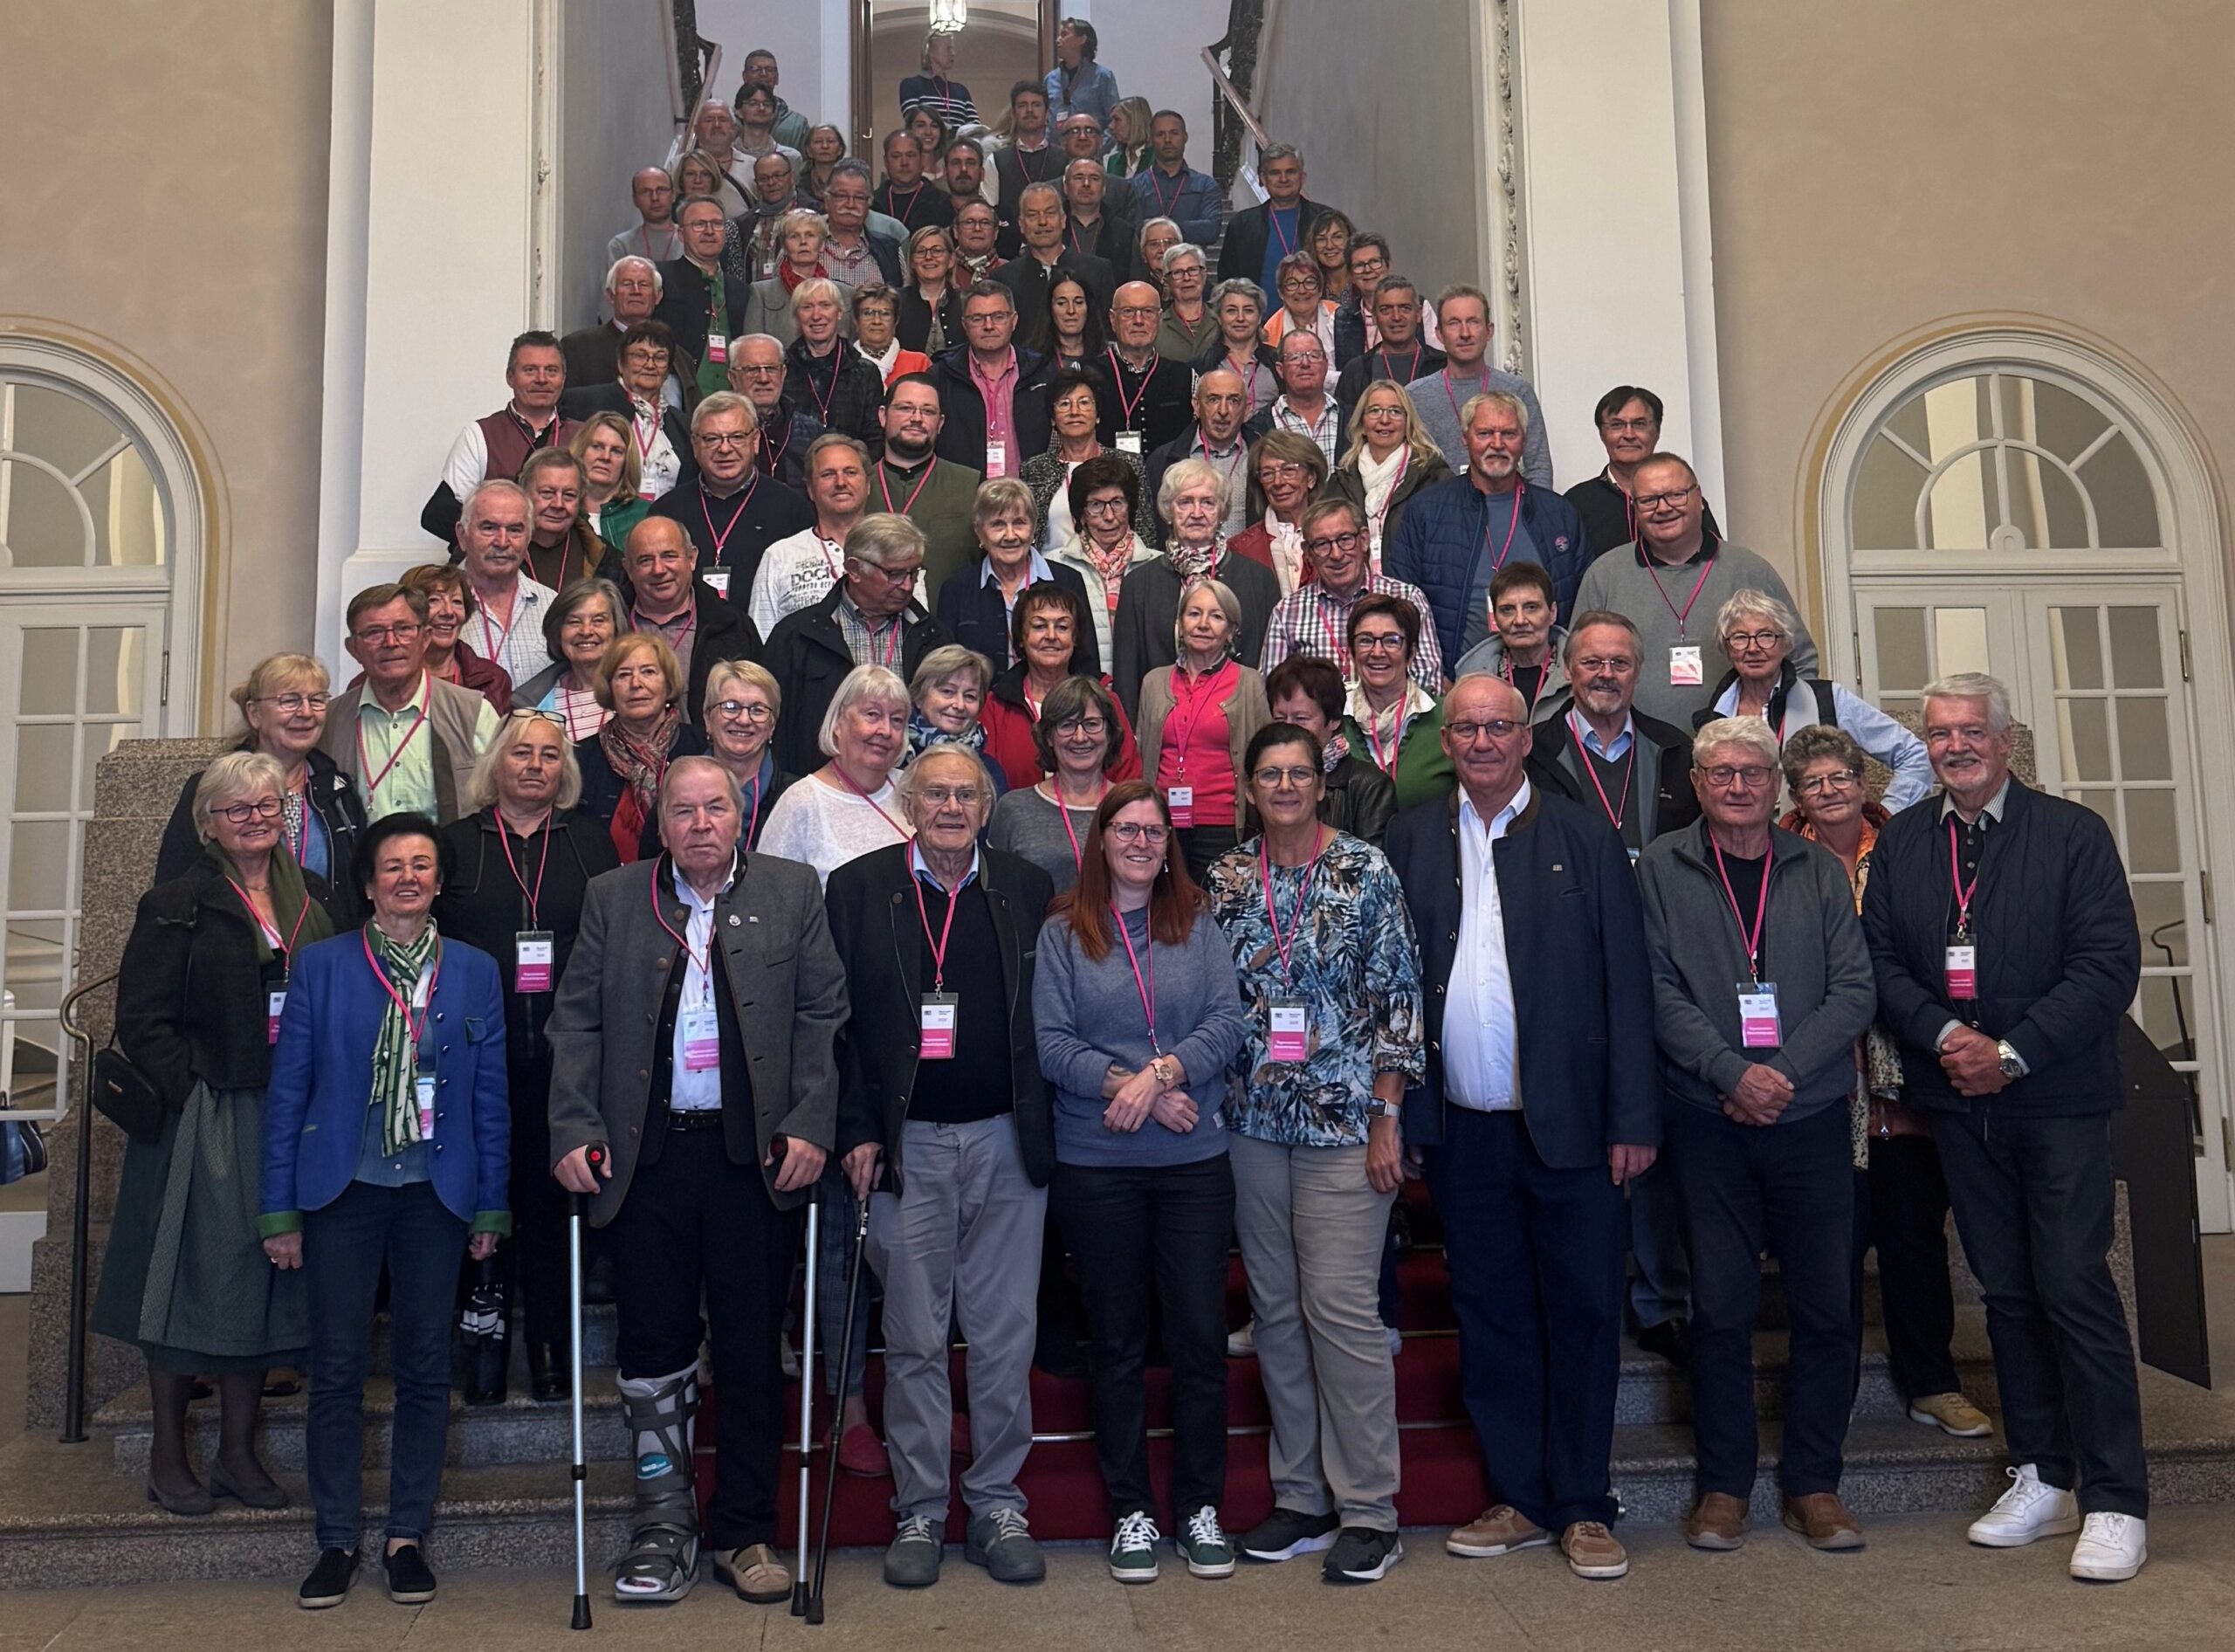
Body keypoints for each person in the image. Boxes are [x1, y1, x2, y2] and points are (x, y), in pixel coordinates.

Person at [1860, 672, 2150, 1582]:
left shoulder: (2072, 834)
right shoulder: (1905, 840)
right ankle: (2042, 1472)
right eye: (1940, 732)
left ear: (2006, 738)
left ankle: (2115, 1497)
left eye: (1971, 730)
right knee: (2007, 1290)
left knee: (2072, 1283)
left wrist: (2012, 1050)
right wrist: (1949, 1037)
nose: (1955, 745)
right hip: (1957, 1100)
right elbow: (1881, 960)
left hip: (2055, 1098)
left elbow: (2107, 966)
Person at [547, 756, 843, 1607]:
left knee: (752, 1345)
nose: (702, 822)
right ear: (661, 820)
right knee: (652, 1347)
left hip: (754, 1157)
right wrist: (573, 1126)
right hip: (649, 1159)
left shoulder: (791, 892)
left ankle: (745, 1528)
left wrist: (813, 1122)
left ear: (741, 813)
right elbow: (575, 1021)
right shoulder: (616, 896)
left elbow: (826, 1013)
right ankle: (662, 1522)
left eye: (717, 806)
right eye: (685, 810)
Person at [1384, 674, 1661, 1582]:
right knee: (1490, 1313)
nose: (1482, 741)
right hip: (1466, 1128)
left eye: (1499, 725)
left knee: (1580, 1313)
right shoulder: (1415, 835)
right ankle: (1517, 1494)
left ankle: (1583, 1502)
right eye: (1464, 727)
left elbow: (1628, 986)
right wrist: (1409, 1111)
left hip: (1575, 1126)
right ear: (1447, 741)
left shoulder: (1582, 834)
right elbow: (1397, 986)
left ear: (1523, 734)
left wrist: (1632, 1116)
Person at [1637, 717, 1877, 1553]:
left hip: (1808, 1121)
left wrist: (1782, 1077)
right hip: (1708, 1120)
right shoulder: (1663, 867)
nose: (1738, 787)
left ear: (1777, 784)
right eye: (1721, 773)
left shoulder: (1815, 867)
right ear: (1697, 784)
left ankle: (1816, 1483)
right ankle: (1723, 1487)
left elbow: (1854, 990)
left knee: (1825, 1307)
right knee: (1721, 1308)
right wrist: (1732, 1073)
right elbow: (1655, 988)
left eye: (1752, 773)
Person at [263, 812, 510, 1610]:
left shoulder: (473, 972)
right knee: (335, 1370)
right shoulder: (323, 967)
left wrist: (492, 1207)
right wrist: (279, 1211)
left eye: (422, 865)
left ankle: (407, 1536)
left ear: (439, 881)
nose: (407, 877)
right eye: (392, 866)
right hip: (343, 1190)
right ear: (368, 883)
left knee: (423, 1369)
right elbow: (288, 1094)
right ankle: (336, 1539)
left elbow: (490, 1102)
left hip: (438, 1196)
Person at [824, 747, 1055, 1587]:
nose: (950, 806)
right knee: (916, 1336)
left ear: (986, 808)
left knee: (1002, 1335)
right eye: (935, 794)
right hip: (904, 1145)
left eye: (965, 794)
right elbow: (835, 1025)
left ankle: (996, 1502)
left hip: (1005, 1138)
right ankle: (920, 1510)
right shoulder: (859, 887)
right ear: (908, 802)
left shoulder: (1026, 888)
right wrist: (855, 1128)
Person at [1203, 723, 1422, 1581]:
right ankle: (1301, 1496)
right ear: (1250, 786)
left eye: (1299, 772)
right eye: (1270, 773)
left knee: (1339, 1311)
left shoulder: (1364, 869)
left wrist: (1387, 1115)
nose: (1286, 785)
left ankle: (1370, 1507)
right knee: (1278, 1312)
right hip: (1252, 1123)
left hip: (1344, 1125)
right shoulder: (1225, 878)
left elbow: (1398, 995)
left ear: (1320, 783)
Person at [99, 752, 340, 1518]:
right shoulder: (178, 903)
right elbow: (140, 1018)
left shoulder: (317, 898)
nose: (255, 821)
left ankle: (238, 1454)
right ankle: (171, 1456)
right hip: (208, 1118)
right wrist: (194, 1088)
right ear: (208, 823)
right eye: (238, 810)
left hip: (293, 1109)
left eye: (268, 808)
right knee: (189, 1284)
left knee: (266, 1287)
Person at [1033, 781, 1252, 1582]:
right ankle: (1130, 1508)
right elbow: (1051, 1043)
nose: (1139, 842)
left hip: (1193, 1165)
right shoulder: (1064, 930)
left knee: (1198, 1340)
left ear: (1169, 844)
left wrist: (1158, 1076)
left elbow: (1228, 1023)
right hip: (1099, 1165)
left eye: (1153, 831)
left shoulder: (1198, 925)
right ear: (1101, 839)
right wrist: (1130, 1090)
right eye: (1124, 829)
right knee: (1118, 1342)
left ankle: (1199, 1507)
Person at [1778, 726, 1991, 1442]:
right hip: (1821, 1080)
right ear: (1797, 795)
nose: (1830, 790)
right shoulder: (1779, 858)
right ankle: (1822, 1394)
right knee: (1828, 1248)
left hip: (1909, 1070)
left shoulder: (1908, 846)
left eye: (1841, 777)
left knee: (1914, 1235)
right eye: (1814, 782)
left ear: (1863, 782)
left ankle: (1931, 1381)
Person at [433, 714, 620, 1403]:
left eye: (550, 755)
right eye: (522, 753)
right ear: (496, 763)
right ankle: (481, 1347)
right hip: (476, 1055)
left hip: (567, 1059)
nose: (536, 765)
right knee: (479, 1199)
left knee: (552, 1204)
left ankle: (549, 1348)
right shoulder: (454, 846)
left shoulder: (592, 844)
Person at [1571, 451, 1819, 728]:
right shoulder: (1604, 575)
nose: (1663, 508)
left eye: (1676, 495)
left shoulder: (1751, 571)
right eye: (1649, 500)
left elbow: (1801, 659)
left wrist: (1781, 731)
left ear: (1699, 498)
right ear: (1635, 510)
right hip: (1634, 754)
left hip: (1737, 755)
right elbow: (1575, 668)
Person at [1385, 392, 1589, 671]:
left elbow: (1582, 605)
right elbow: (1400, 603)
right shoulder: (1426, 510)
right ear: (1464, 438)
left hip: (1549, 682)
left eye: (1509, 433)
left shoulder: (1559, 514)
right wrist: (1431, 677)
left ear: (1524, 441)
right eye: (1484, 433)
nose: (1497, 444)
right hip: (1455, 681)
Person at [1701, 589, 1932, 811]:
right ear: (1728, 649)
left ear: (1785, 644)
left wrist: (1888, 815)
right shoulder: (1713, 718)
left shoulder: (1828, 699)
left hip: (1817, 844)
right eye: (1740, 638)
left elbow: (1916, 756)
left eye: (1766, 636)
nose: (1753, 648)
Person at [157, 656, 368, 897]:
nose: (306, 712)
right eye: (290, 701)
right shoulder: (213, 789)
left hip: (328, 933)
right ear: (254, 713)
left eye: (317, 700)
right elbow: (173, 887)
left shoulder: (339, 792)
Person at [764, 514, 953, 777]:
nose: (907, 586)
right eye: (895, 574)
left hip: (909, 794)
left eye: (914, 573)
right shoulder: (797, 637)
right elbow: (777, 733)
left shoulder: (933, 636)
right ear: (854, 569)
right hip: (821, 791)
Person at [1523, 611, 1702, 860]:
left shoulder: (1676, 751)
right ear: (1567, 669)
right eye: (1592, 662)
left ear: (1637, 672)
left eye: (1620, 663)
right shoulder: (1531, 752)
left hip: (1652, 897)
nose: (1606, 674)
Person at [1112, 458, 1282, 718]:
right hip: (1165, 726)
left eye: (1208, 502)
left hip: (1240, 723)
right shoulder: (1139, 583)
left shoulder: (1258, 579)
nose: (1196, 513)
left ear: (1223, 512)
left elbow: (1273, 669)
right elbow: (1126, 675)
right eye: (1185, 502)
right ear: (1169, 511)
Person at [323, 584, 500, 823]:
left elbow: (504, 800)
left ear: (426, 638)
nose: (391, 642)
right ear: (354, 648)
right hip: (361, 859)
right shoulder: (331, 721)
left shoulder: (473, 712)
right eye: (374, 632)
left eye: (403, 629)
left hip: (450, 858)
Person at [1136, 581, 1272, 880]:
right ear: (1180, 623)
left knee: (1217, 912)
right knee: (1166, 911)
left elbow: (1265, 757)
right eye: (1194, 614)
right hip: (1161, 822)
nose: (1203, 624)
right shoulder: (1153, 683)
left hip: (1223, 824)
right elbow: (1142, 753)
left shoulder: (1249, 682)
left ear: (1232, 629)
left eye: (1216, 616)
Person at [757, 664, 917, 884]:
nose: (886, 731)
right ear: (838, 723)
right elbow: (768, 895)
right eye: (873, 714)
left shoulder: (914, 790)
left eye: (897, 720)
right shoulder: (801, 802)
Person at [1261, 497, 1442, 689]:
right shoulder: (1287, 612)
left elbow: (1428, 683)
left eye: (1345, 539)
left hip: (1395, 716)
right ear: (1309, 554)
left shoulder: (1407, 598)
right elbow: (1273, 692)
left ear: (1363, 540)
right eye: (1322, 544)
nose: (1336, 554)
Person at [978, 581, 1142, 793]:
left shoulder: (1105, 702)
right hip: (1018, 822)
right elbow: (986, 785)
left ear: (1075, 638)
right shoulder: (995, 707)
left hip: (1095, 822)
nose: (1051, 636)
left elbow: (1128, 779)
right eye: (1039, 626)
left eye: (1062, 627)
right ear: (1021, 638)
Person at [646, 392, 812, 596]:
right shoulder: (666, 513)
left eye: (736, 437)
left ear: (755, 441)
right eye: (712, 439)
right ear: (695, 445)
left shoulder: (792, 510)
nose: (725, 448)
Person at [423, 331, 576, 547]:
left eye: (551, 371)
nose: (542, 379)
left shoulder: (583, 437)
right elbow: (442, 516)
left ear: (563, 378)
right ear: (510, 377)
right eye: (530, 370)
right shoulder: (479, 435)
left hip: (565, 562)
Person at [574, 630, 710, 860]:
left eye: (648, 672)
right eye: (623, 675)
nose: (636, 684)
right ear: (610, 689)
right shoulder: (579, 759)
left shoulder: (702, 748)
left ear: (668, 684)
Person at [938, 476, 1097, 671]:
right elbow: (946, 671)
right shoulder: (956, 590)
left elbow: (1086, 664)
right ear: (979, 532)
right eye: (998, 524)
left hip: (1056, 700)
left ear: (1033, 529)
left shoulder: (1067, 582)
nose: (1011, 535)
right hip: (981, 701)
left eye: (1019, 523)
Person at [987, 673, 1129, 891]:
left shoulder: (1131, 807)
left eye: (1092, 724)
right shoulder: (1013, 809)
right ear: (1048, 737)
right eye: (1067, 725)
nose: (1080, 737)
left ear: (1110, 734)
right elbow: (997, 894)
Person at [612, 514, 760, 720]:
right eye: (645, 560)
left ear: (691, 558)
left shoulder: (733, 628)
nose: (658, 570)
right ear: (628, 569)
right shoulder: (608, 626)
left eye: (669, 556)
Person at [1411, 286, 1551, 487]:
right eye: (1454, 323)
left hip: (1509, 509)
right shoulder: (1415, 396)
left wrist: (1532, 515)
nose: (1465, 333)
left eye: (1473, 322)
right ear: (1439, 334)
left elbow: (1538, 467)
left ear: (1489, 331)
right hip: (1438, 513)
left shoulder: (1517, 391)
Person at [1564, 385, 1723, 558]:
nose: (1629, 434)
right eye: (1617, 425)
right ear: (1602, 433)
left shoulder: (1683, 498)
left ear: (1657, 431)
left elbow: (1717, 561)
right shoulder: (1577, 502)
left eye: (1639, 424)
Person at [1258, 655, 1398, 844]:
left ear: (1334, 720)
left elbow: (1371, 866)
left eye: (1301, 719)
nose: (1288, 729)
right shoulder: (1265, 779)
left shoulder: (1370, 786)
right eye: (1280, 719)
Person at [749, 433, 877, 638]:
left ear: (868, 484)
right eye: (828, 474)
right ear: (810, 489)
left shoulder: (894, 549)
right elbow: (761, 641)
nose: (841, 482)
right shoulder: (780, 556)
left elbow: (917, 631)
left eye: (851, 472)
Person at [931, 281, 1056, 482]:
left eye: (998, 317)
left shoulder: (1042, 372)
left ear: (1013, 321)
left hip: (1031, 493)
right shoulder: (942, 375)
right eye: (977, 319)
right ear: (964, 325)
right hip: (965, 494)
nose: (988, 326)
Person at [868, 373, 982, 591]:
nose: (917, 418)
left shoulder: (970, 485)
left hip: (948, 621)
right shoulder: (856, 486)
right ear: (883, 416)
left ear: (940, 424)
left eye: (927, 411)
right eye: (905, 408)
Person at [1339, 593, 1453, 812]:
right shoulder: (1333, 721)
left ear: (1410, 653)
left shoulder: (1446, 717)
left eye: (1392, 641)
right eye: (1365, 640)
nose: (1377, 652)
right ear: (1352, 653)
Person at [1022, 365, 1151, 559]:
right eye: (1064, 404)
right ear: (1052, 419)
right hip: (1053, 574)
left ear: (1098, 415)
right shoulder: (1034, 469)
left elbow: (1145, 532)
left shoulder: (1128, 464)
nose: (1075, 411)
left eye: (1084, 403)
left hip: (1116, 575)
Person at [1324, 381, 1451, 572]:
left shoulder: (1434, 477)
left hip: (1413, 591)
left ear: (1408, 422)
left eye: (1395, 411)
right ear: (1362, 423)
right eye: (1375, 411)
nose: (1385, 420)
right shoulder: (1340, 481)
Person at [1048, 455, 1161, 667]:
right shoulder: (1054, 567)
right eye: (1096, 505)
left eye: (1117, 503)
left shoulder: (1159, 566)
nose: (1109, 516)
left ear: (1131, 507)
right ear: (1081, 514)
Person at [453, 480, 558, 687]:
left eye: (515, 530)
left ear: (528, 537)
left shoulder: (552, 605)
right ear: (462, 535)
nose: (502, 542)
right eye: (489, 528)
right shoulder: (438, 609)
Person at [654, 196, 751, 403]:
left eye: (717, 224)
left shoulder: (741, 290)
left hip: (731, 400)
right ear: (681, 234)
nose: (709, 231)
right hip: (677, 398)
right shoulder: (661, 278)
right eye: (699, 224)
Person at [1146, 365, 1254, 541]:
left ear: (1247, 409)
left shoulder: (1263, 459)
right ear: (1196, 406)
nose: (1223, 411)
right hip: (1182, 565)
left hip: (1245, 566)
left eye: (1233, 400)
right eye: (1213, 399)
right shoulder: (1163, 460)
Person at [513, 576, 623, 742]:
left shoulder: (637, 689)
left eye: (599, 620)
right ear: (558, 632)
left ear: (617, 627)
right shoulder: (531, 703)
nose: (586, 631)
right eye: (574, 622)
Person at [1452, 562, 1567, 717]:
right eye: (1507, 610)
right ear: (1496, 619)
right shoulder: (1471, 678)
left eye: (1531, 607)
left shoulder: (1581, 673)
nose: (1519, 620)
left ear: (1552, 613)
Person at [395, 562, 512, 715]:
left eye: (456, 602)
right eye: (434, 600)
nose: (448, 612)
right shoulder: (384, 677)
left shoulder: (492, 679)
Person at [781, 278, 884, 450]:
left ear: (839, 312)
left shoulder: (865, 372)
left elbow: (874, 439)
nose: (816, 315)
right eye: (807, 307)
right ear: (797, 317)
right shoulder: (782, 370)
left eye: (825, 305)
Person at [1228, 430, 1330, 596]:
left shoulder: (1337, 538)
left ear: (1311, 478)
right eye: (1267, 474)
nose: (1278, 482)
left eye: (1288, 470)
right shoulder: (1241, 549)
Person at [1217, 142, 1328, 293]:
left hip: (1316, 314)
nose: (1283, 179)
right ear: (1263, 178)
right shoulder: (1242, 225)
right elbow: (1227, 282)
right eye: (1275, 173)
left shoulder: (1324, 220)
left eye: (1291, 172)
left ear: (1302, 177)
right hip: (1259, 315)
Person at [997, 182, 1116, 319]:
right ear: (1021, 225)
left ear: (1063, 220)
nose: (1042, 222)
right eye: (1033, 215)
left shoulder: (1098, 271)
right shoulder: (1004, 278)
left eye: (1050, 213)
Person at [1100, 280, 1193, 454]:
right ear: (1113, 319)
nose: (1138, 321)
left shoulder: (1187, 377)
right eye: (1128, 312)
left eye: (1148, 312)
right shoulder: (1086, 374)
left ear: (1159, 319)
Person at [1331, 278, 1448, 410]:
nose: (1396, 317)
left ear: (1418, 314)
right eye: (1386, 310)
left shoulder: (1442, 365)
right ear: (1375, 317)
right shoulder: (1356, 372)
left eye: (1405, 308)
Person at [725, 335, 823, 490]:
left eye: (771, 369)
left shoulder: (813, 432)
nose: (763, 379)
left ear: (783, 373)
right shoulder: (716, 433)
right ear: (733, 378)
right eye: (752, 370)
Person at [561, 256, 664, 393]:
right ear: (610, 296)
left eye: (644, 285)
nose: (636, 291)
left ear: (657, 296)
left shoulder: (677, 356)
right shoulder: (577, 348)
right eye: (627, 284)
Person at [1245, 329, 1346, 469]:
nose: (1305, 363)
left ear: (1325, 365)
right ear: (1280, 370)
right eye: (1294, 357)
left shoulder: (1352, 420)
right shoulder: (1257, 428)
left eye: (1314, 356)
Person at [904, 644, 1004, 784]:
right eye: (948, 692)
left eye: (970, 696)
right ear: (919, 697)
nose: (959, 705)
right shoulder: (895, 760)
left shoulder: (990, 771)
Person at [517, 449, 610, 598]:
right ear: (524, 493)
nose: (558, 504)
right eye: (547, 493)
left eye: (569, 495)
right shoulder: (502, 549)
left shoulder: (604, 557)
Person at [739, 210, 834, 348]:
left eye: (810, 235)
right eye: (794, 236)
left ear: (822, 245)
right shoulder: (762, 293)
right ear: (784, 246)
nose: (803, 242)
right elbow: (752, 348)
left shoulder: (843, 294)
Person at [1131, 111, 1224, 248]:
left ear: (1185, 137)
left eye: (1174, 133)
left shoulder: (1205, 185)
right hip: (1145, 267)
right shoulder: (1135, 186)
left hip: (1190, 266)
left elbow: (1211, 230)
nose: (1168, 140)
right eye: (1160, 134)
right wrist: (1186, 227)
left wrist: (1163, 227)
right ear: (1151, 140)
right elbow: (1130, 229)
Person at [568, 413, 653, 551]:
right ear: (581, 451)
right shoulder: (561, 509)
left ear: (627, 462)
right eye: (597, 447)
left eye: (616, 451)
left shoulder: (646, 514)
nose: (605, 457)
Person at [818, 162, 906, 292]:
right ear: (827, 200)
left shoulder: (890, 250)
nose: (850, 204)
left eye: (859, 198)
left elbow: (903, 302)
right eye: (842, 196)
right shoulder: (800, 245)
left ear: (869, 203)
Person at [993, 80, 1062, 220]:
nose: (1029, 110)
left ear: (1047, 113)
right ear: (1014, 113)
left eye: (1036, 105)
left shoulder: (1064, 159)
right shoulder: (995, 161)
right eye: (1022, 105)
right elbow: (989, 212)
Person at [1021, 269, 1105, 372]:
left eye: (1078, 302)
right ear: (1050, 309)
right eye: (1061, 303)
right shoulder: (1031, 360)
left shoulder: (1106, 357)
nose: (1071, 310)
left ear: (1088, 307)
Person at [897, 226, 964, 355]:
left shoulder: (966, 303)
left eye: (937, 251)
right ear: (911, 261)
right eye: (921, 252)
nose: (928, 257)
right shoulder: (896, 302)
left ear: (951, 260)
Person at [852, 281, 932, 387]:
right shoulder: (843, 364)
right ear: (856, 321)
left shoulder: (919, 363)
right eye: (868, 313)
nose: (877, 321)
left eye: (885, 314)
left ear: (896, 321)